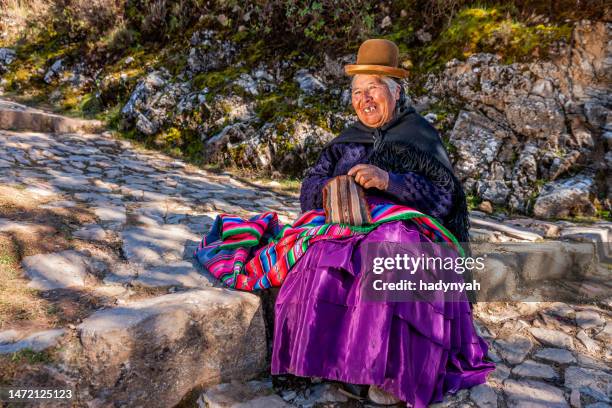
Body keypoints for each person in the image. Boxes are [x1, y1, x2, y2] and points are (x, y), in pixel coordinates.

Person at [269, 39, 495, 407]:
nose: (364, 99)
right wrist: (330, 190)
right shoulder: (345, 142)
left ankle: (390, 373)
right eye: (357, 92)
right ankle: (327, 361)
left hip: (408, 228)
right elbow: (309, 186)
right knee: (322, 251)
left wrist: (390, 181)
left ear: (395, 91)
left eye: (372, 88)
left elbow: (444, 198)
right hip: (348, 224)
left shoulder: (419, 136)